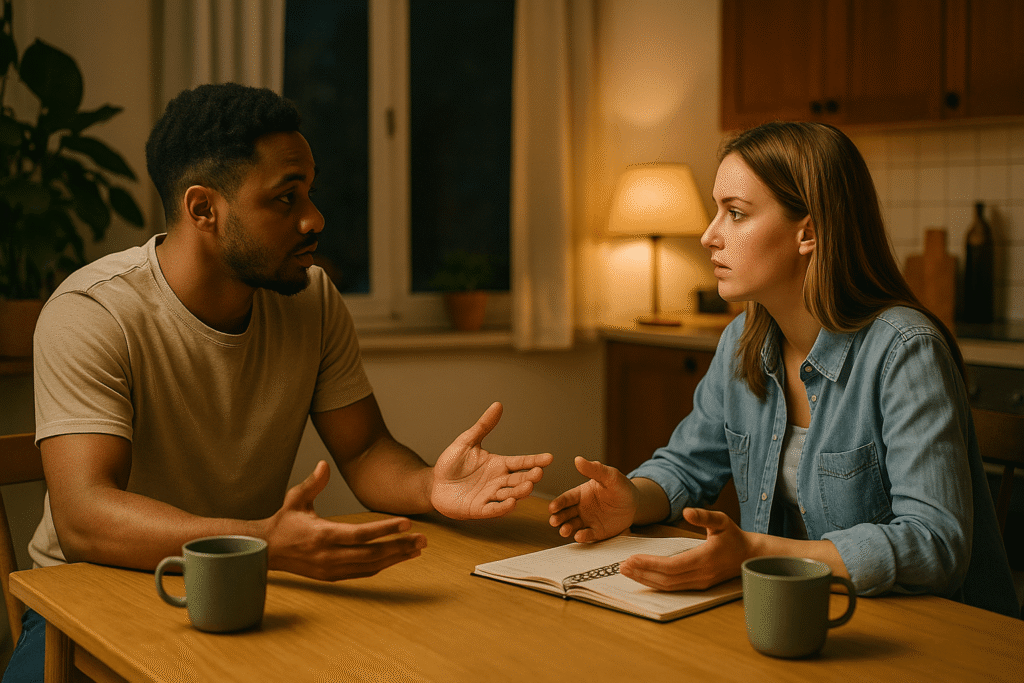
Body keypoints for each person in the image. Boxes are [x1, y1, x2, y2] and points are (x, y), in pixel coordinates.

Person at [4, 83, 553, 682]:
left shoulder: (311, 299)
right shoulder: (92, 312)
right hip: (88, 597)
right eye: (285, 199)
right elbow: (85, 517)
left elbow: (365, 450)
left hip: (247, 591)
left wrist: (429, 486)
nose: (314, 218)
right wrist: (265, 541)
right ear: (203, 209)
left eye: (309, 193)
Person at [548, 121, 1019, 618]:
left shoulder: (904, 350)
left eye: (735, 213)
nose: (709, 236)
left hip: (942, 639)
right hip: (803, 621)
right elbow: (686, 466)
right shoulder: (742, 342)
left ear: (808, 233)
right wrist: (631, 499)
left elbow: (935, 545)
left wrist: (753, 553)